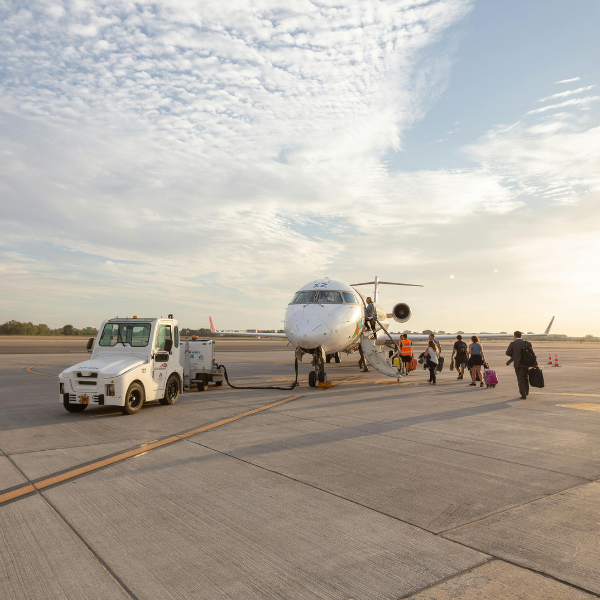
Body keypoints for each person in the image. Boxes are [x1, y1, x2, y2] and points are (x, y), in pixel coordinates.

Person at [506, 331, 533, 399]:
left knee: (520, 379)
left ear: (514, 336)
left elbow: (507, 352)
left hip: (518, 364)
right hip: (526, 363)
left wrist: (514, 355)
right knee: (526, 378)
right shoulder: (527, 343)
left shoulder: (513, 344)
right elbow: (531, 354)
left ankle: (523, 394)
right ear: (521, 336)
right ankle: (527, 392)